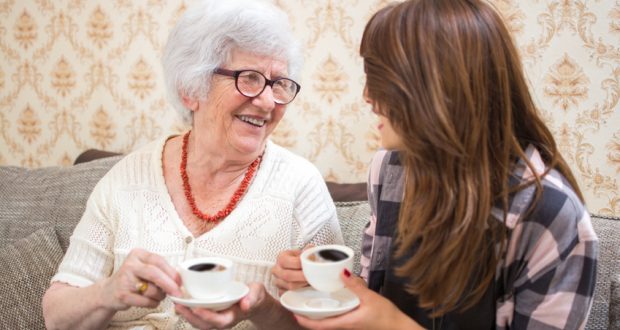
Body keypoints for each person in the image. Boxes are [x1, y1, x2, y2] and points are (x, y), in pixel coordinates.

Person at [273, 0, 598, 329]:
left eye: (379, 78)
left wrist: (390, 322)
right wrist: (326, 286)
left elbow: (385, 319)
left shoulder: (551, 216)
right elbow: (372, 299)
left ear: (434, 86)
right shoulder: (389, 170)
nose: (367, 96)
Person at [42, 0, 343, 328]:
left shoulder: (300, 187)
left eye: (279, 84)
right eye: (250, 78)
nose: (268, 102)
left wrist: (264, 309)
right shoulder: (126, 179)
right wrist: (107, 293)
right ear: (190, 89)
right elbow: (57, 317)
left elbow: (339, 319)